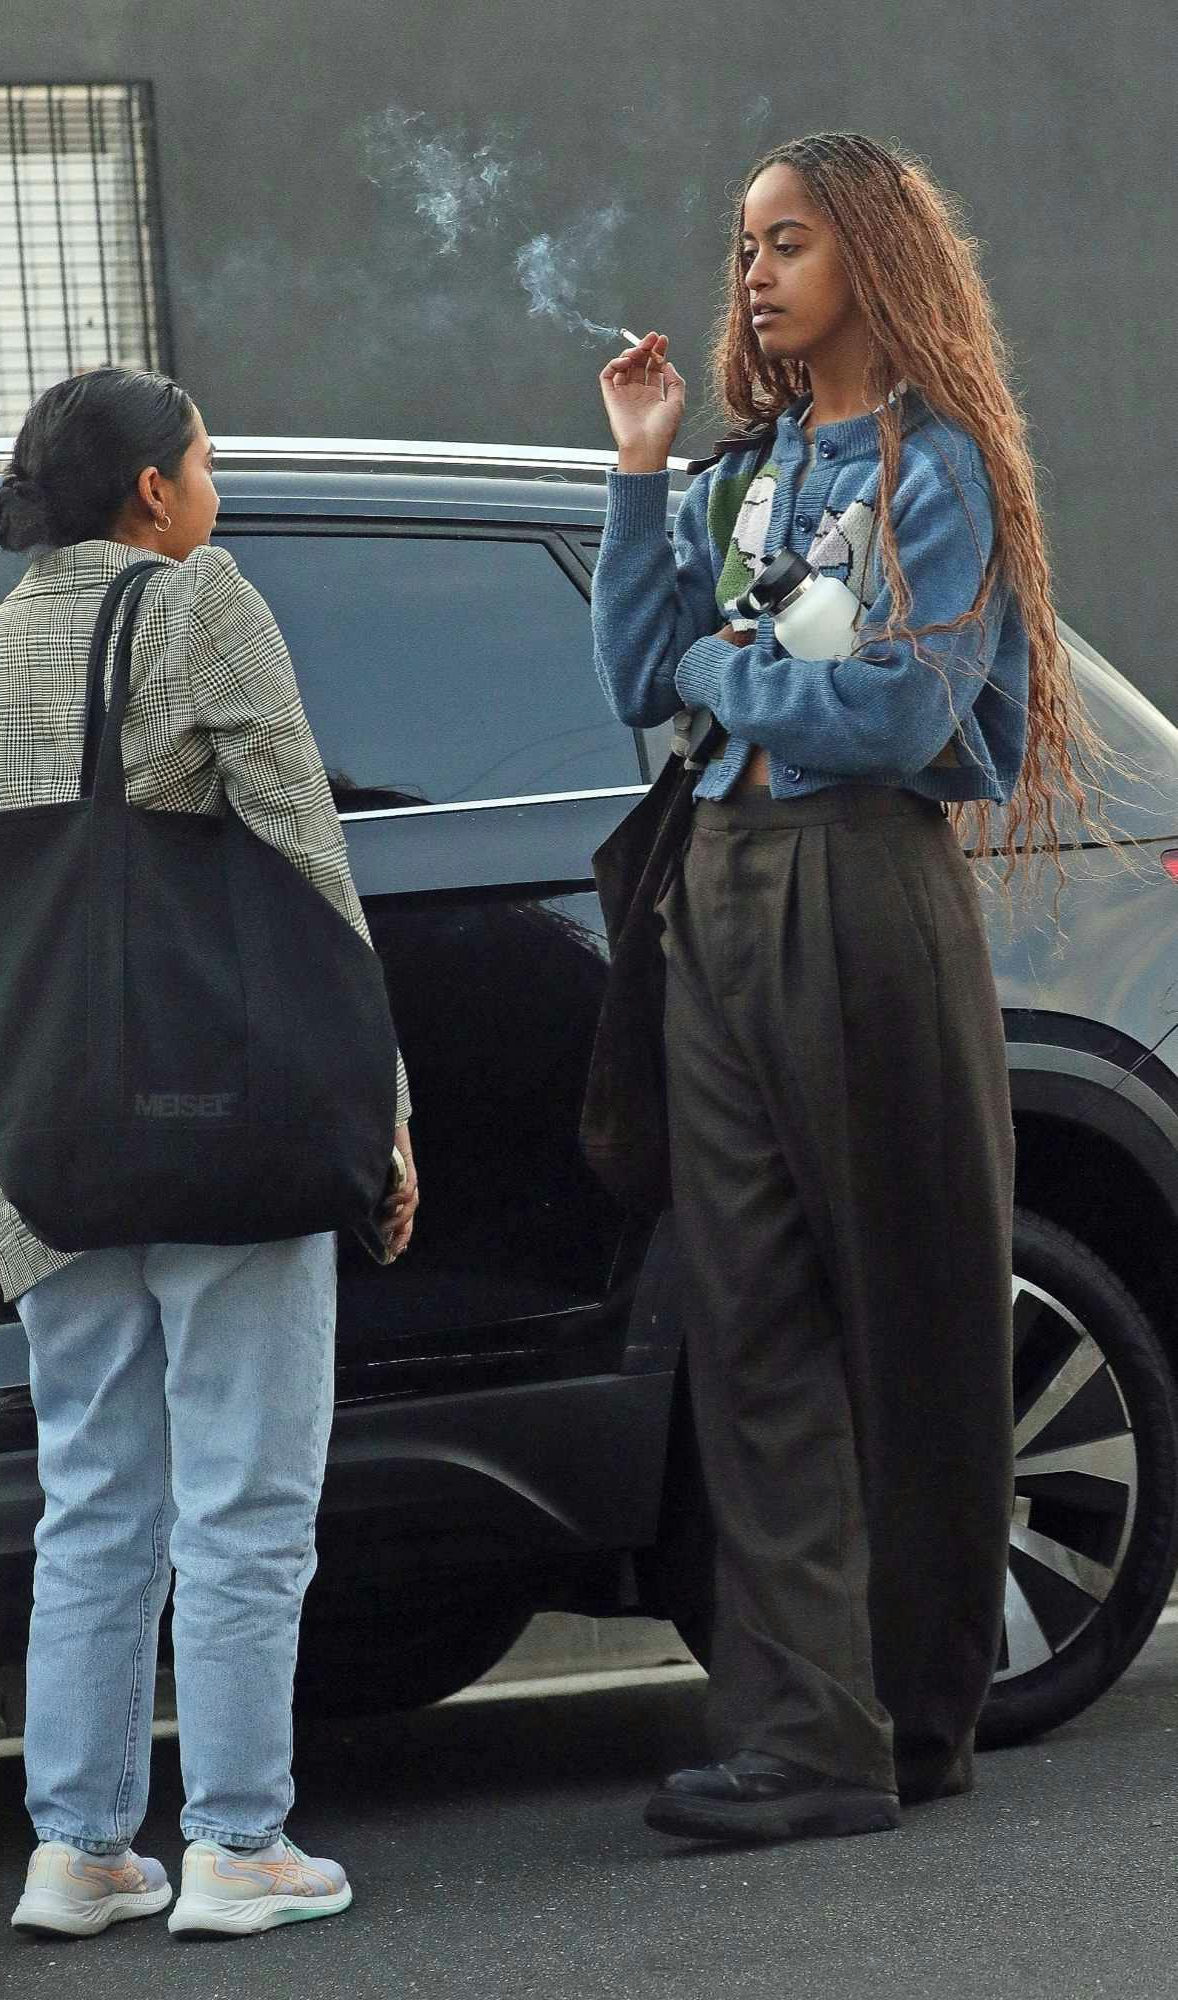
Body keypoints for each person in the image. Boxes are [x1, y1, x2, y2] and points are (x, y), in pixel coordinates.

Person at [592, 132, 1104, 1845]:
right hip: (716, 896)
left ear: (868, 259)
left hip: (864, 886)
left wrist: (722, 671)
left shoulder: (934, 470)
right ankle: (806, 1742)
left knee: (916, 1307)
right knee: (747, 1326)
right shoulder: (735, 478)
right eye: (740, 243)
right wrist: (635, 473)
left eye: (786, 239)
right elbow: (627, 677)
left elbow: (897, 718)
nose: (750, 271)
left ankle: (918, 1712)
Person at [0, 367, 418, 1936]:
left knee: (96, 1492)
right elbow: (301, 856)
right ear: (152, 491)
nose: (217, 493)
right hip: (219, 1120)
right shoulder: (202, 607)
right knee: (245, 1493)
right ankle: (238, 1841)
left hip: (43, 1132)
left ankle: (76, 1848)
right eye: (204, 464)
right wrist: (379, 1109)